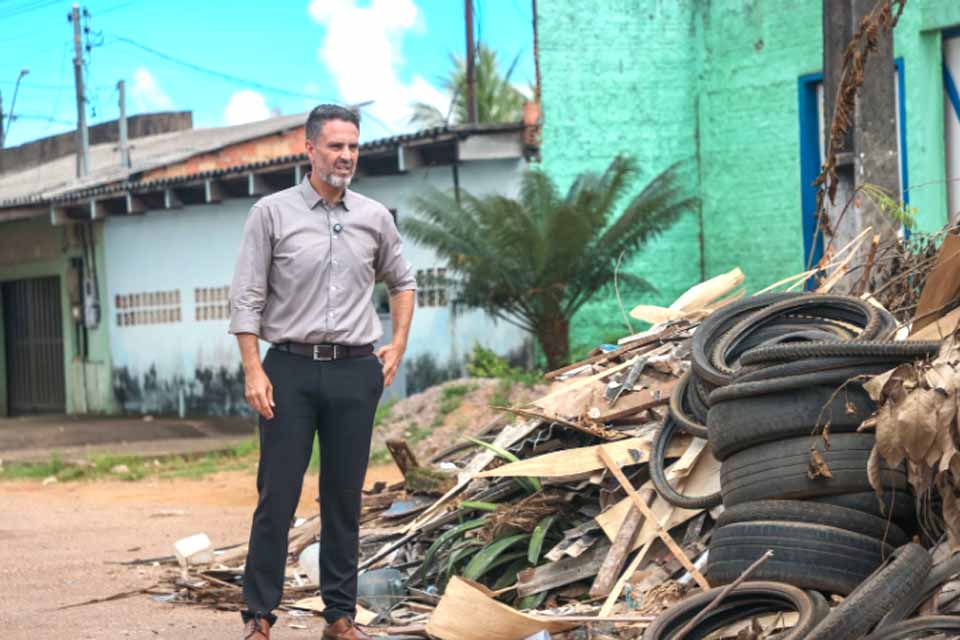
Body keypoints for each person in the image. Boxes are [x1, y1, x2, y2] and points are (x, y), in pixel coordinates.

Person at [228, 104, 416, 640]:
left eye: (353, 146)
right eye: (336, 146)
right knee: (278, 495)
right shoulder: (271, 213)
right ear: (309, 149)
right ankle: (259, 615)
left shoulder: (374, 217)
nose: (347, 156)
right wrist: (252, 370)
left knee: (343, 498)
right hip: (287, 368)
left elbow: (403, 282)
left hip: (356, 372)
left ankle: (339, 616)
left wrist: (397, 342)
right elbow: (246, 296)